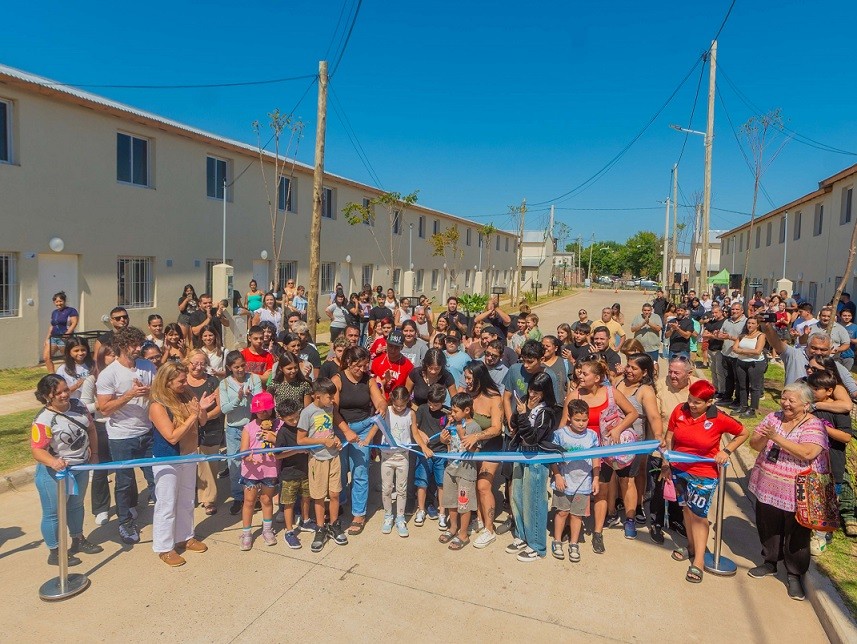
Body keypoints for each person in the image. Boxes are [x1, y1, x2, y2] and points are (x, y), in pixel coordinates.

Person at [747, 382, 830, 601]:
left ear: (806, 404)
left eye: (791, 400)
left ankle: (794, 575)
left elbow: (807, 452)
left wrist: (777, 438)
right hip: (768, 484)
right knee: (768, 524)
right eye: (784, 398)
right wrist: (765, 436)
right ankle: (770, 562)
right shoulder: (773, 418)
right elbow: (754, 445)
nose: (785, 403)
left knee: (796, 533)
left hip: (797, 491)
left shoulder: (814, 425)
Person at [662, 380, 748, 583]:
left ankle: (698, 560)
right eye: (690, 400)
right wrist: (667, 462)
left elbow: (743, 433)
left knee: (699, 515)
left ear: (709, 402)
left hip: (704, 474)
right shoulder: (679, 411)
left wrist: (726, 451)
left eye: (697, 403)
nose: (691, 405)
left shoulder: (718, 418)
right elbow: (670, 436)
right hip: (680, 470)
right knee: (686, 510)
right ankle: (691, 547)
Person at [31, 374, 103, 566]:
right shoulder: (44, 420)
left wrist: (94, 454)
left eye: (66, 389)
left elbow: (91, 429)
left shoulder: (78, 405)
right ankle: (55, 552)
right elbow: (37, 451)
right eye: (59, 393)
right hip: (55, 474)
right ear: (48, 396)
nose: (65, 394)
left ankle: (78, 539)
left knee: (76, 506)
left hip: (80, 466)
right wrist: (53, 462)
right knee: (53, 513)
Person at [96, 326, 157, 545]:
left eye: (140, 344)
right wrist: (130, 394)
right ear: (122, 346)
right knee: (124, 482)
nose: (139, 349)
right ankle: (125, 522)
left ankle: (163, 518)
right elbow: (104, 409)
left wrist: (149, 392)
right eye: (134, 345)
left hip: (148, 432)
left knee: (156, 477)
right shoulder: (108, 374)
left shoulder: (148, 366)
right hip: (121, 437)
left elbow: (160, 392)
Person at [149, 362, 213, 566]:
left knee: (187, 500)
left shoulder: (188, 394)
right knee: (167, 503)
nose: (186, 383)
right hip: (167, 458)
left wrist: (201, 410)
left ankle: (185, 536)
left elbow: (202, 422)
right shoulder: (157, 406)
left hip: (189, 455)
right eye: (180, 381)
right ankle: (164, 547)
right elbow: (172, 436)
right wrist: (193, 415)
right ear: (166, 382)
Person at [572, 358, 640, 547]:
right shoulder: (575, 395)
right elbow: (564, 423)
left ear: (597, 377)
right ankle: (586, 528)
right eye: (580, 372)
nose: (580, 376)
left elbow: (632, 413)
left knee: (614, 486)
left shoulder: (611, 392)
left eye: (585, 373)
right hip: (586, 452)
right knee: (589, 490)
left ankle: (614, 525)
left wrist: (618, 429)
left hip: (610, 449)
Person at [332, 346, 388, 535]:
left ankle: (358, 513)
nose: (362, 370)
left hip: (364, 429)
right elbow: (333, 410)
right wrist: (346, 430)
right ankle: (338, 502)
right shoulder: (338, 380)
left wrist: (381, 406)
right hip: (341, 429)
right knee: (339, 471)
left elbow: (380, 401)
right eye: (358, 366)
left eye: (365, 366)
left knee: (361, 471)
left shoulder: (369, 380)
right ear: (349, 362)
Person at [505, 372, 557, 561]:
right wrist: (521, 411)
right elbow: (513, 424)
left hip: (537, 458)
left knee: (534, 501)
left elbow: (533, 437)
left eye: (537, 392)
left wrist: (524, 414)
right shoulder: (526, 402)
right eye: (531, 390)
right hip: (521, 453)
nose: (532, 394)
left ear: (545, 393)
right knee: (517, 497)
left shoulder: (547, 412)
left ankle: (536, 545)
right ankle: (521, 535)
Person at [297, 378, 351, 552]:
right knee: (319, 496)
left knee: (335, 493)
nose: (333, 400)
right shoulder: (307, 413)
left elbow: (332, 427)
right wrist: (322, 442)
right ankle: (320, 528)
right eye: (329, 397)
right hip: (317, 459)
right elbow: (300, 440)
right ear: (318, 396)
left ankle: (334, 524)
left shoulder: (329, 408)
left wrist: (336, 438)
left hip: (334, 457)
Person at [805, 369, 857, 541]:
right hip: (809, 463)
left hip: (832, 466)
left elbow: (846, 437)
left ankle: (824, 534)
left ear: (829, 391)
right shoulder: (806, 408)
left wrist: (822, 427)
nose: (812, 391)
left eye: (816, 388)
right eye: (810, 387)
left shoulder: (839, 412)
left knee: (830, 500)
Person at [616, 353, 664, 530]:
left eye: (633, 368)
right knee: (619, 477)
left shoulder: (645, 391)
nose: (628, 370)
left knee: (636, 475)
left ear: (644, 372)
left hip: (635, 442)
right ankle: (622, 503)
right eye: (628, 366)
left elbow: (653, 416)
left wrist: (658, 435)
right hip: (614, 440)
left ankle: (637, 507)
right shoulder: (618, 382)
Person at [651, 356, 697, 541]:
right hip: (661, 445)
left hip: (687, 449)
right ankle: (657, 522)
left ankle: (678, 521)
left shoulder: (699, 387)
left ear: (689, 374)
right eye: (670, 371)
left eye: (676, 373)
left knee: (681, 488)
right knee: (658, 487)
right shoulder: (661, 386)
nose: (672, 376)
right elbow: (655, 416)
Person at [461, 361, 505, 549]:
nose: (466, 381)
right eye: (465, 377)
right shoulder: (468, 395)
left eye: (469, 378)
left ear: (479, 377)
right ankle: (479, 518)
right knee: (474, 484)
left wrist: (476, 436)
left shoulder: (495, 398)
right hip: (473, 447)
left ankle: (489, 529)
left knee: (483, 486)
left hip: (491, 446)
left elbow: (497, 428)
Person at [550, 398, 600, 562]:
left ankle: (573, 543)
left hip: (583, 484)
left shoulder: (592, 436)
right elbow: (552, 458)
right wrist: (557, 475)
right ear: (569, 417)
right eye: (577, 420)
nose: (581, 424)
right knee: (562, 512)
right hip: (564, 482)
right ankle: (557, 541)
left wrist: (596, 479)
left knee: (577, 515)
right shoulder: (559, 435)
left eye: (584, 420)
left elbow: (596, 458)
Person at [362, 386, 416, 537]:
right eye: (396, 404)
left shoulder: (411, 414)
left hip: (403, 457)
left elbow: (415, 433)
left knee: (401, 489)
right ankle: (388, 516)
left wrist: (424, 446)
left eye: (402, 405)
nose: (399, 408)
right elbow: (376, 427)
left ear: (408, 401)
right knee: (386, 488)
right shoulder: (387, 411)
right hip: (386, 457)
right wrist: (367, 439)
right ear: (392, 399)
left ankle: (400, 517)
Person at [219, 350, 264, 515]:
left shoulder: (254, 379)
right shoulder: (224, 384)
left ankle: (254, 495)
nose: (240, 369)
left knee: (255, 461)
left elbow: (260, 404)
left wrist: (251, 397)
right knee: (235, 464)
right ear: (230, 368)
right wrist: (238, 398)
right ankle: (238, 496)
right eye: (236, 367)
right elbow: (225, 409)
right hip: (233, 428)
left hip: (252, 426)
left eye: (242, 365)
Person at [438, 392, 481, 551]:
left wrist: (462, 433)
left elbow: (475, 450)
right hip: (451, 469)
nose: (452, 414)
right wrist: (444, 439)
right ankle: (453, 527)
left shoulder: (474, 427)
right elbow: (448, 443)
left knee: (464, 504)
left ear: (467, 410)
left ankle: (463, 534)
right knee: (450, 501)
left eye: (455, 411)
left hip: (466, 472)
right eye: (452, 411)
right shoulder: (452, 424)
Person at [761, 324, 857, 395]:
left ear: (830, 350)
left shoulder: (836, 367)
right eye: (814, 348)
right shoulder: (794, 355)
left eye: (823, 349)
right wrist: (767, 326)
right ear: (807, 346)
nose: (818, 352)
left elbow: (853, 391)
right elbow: (776, 343)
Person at [238, 392, 280, 550]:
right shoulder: (248, 428)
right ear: (254, 411)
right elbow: (243, 451)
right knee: (249, 501)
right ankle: (247, 533)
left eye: (267, 410)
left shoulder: (278, 425)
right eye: (260, 410)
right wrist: (249, 458)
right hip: (251, 471)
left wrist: (274, 438)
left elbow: (283, 444)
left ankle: (267, 530)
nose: (264, 413)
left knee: (267, 500)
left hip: (269, 470)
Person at [79, 343, 115, 525]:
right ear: (101, 357)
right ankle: (101, 509)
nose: (114, 358)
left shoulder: (123, 375)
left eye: (117, 354)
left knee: (126, 468)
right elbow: (83, 406)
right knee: (101, 468)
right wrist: (100, 406)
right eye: (110, 355)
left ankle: (130, 503)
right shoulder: (91, 379)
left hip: (121, 425)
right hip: (101, 426)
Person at [184, 350, 223, 516]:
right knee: (188, 464)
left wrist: (204, 417)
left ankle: (208, 498)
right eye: (194, 363)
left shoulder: (212, 381)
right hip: (187, 427)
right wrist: (194, 418)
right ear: (187, 362)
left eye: (202, 363)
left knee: (209, 463)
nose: (198, 367)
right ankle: (190, 495)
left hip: (210, 427)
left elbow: (219, 408)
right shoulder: (181, 381)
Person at [273, 398, 312, 549]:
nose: (295, 421)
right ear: (281, 418)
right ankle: (289, 531)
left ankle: (306, 520)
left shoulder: (302, 426)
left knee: (306, 497)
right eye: (291, 419)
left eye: (297, 416)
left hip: (305, 470)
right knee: (288, 504)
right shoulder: (282, 432)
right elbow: (277, 455)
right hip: (289, 474)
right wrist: (296, 450)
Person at [413, 383, 449, 528]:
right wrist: (421, 434)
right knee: (421, 482)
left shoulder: (448, 413)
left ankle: (442, 512)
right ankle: (420, 510)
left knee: (441, 484)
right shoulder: (422, 409)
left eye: (435, 404)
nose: (432, 406)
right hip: (424, 452)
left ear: (443, 402)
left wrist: (445, 439)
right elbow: (414, 427)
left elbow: (450, 435)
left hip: (441, 453)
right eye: (430, 403)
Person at [731, 317, 768, 418]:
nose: (750, 325)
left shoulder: (761, 335)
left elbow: (757, 351)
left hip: (755, 364)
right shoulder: (742, 335)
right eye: (748, 323)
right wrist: (743, 352)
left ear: (757, 325)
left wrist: (741, 351)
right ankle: (743, 405)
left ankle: (752, 409)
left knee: (755, 387)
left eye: (752, 323)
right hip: (741, 362)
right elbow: (734, 348)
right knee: (742, 386)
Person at [371, 328, 413, 399]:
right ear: (386, 344)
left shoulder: (408, 366)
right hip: (378, 401)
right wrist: (385, 380)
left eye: (396, 347)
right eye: (390, 346)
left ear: (402, 347)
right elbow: (372, 388)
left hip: (397, 405)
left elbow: (407, 392)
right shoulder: (377, 361)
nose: (393, 350)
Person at [43, 291, 79, 367]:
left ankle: (72, 373)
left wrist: (67, 334)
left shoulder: (71, 310)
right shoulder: (54, 312)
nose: (59, 303)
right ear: (54, 302)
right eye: (56, 302)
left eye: (60, 301)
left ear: (64, 301)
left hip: (64, 339)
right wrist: (47, 339)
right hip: (53, 338)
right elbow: (52, 326)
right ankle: (52, 376)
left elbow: (74, 323)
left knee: (68, 358)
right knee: (46, 357)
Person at [703, 304, 726, 397]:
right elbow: (704, 334)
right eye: (713, 313)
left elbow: (722, 336)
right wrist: (712, 335)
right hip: (711, 348)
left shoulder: (725, 322)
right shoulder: (711, 322)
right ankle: (715, 389)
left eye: (716, 312)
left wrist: (711, 335)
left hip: (720, 349)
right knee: (713, 371)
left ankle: (722, 391)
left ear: (721, 312)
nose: (714, 314)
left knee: (720, 371)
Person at [541, 336, 570, 402]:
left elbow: (571, 384)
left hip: (560, 406)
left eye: (548, 346)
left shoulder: (565, 363)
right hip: (542, 406)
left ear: (556, 348)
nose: (545, 348)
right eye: (543, 346)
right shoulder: (538, 364)